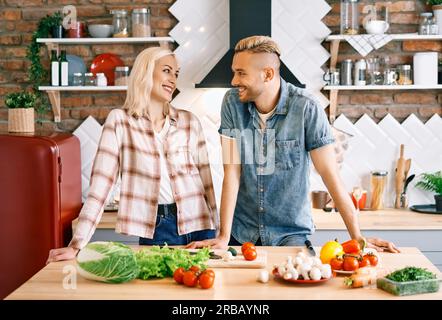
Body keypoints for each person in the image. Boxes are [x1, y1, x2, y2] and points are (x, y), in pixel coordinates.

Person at [187, 36, 399, 253]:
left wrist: (358, 237)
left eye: (241, 73)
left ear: (267, 74)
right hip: (243, 233)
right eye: (234, 72)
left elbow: (329, 175)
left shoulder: (306, 109)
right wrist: (223, 236)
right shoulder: (232, 104)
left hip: (290, 234)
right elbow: (232, 171)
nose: (233, 81)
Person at [47, 47, 218, 263]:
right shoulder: (120, 121)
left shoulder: (189, 121)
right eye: (166, 71)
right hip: (158, 228)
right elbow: (100, 188)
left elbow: (207, 182)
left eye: (176, 74)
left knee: (202, 294)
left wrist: (220, 233)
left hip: (201, 224)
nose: (173, 79)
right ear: (146, 72)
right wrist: (77, 245)